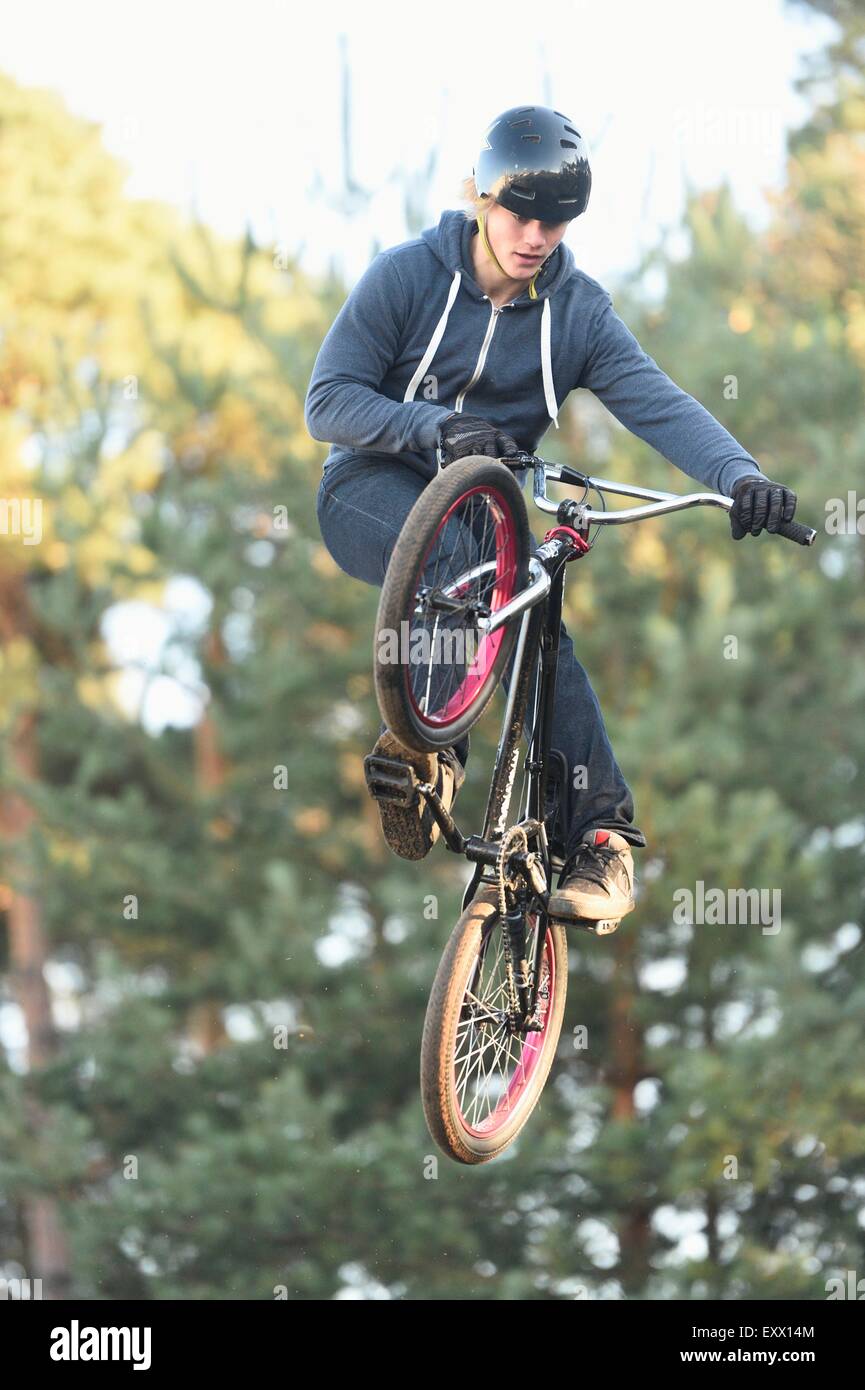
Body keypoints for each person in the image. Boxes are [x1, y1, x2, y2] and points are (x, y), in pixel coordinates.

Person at [306, 104, 797, 931]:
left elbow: (659, 405)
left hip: (487, 517)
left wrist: (739, 475)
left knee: (537, 616)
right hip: (368, 490)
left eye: (555, 222)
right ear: (482, 199)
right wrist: (430, 426)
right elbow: (327, 401)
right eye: (519, 215)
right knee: (461, 555)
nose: (535, 236)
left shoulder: (577, 314)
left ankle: (600, 839)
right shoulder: (406, 278)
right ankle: (431, 749)